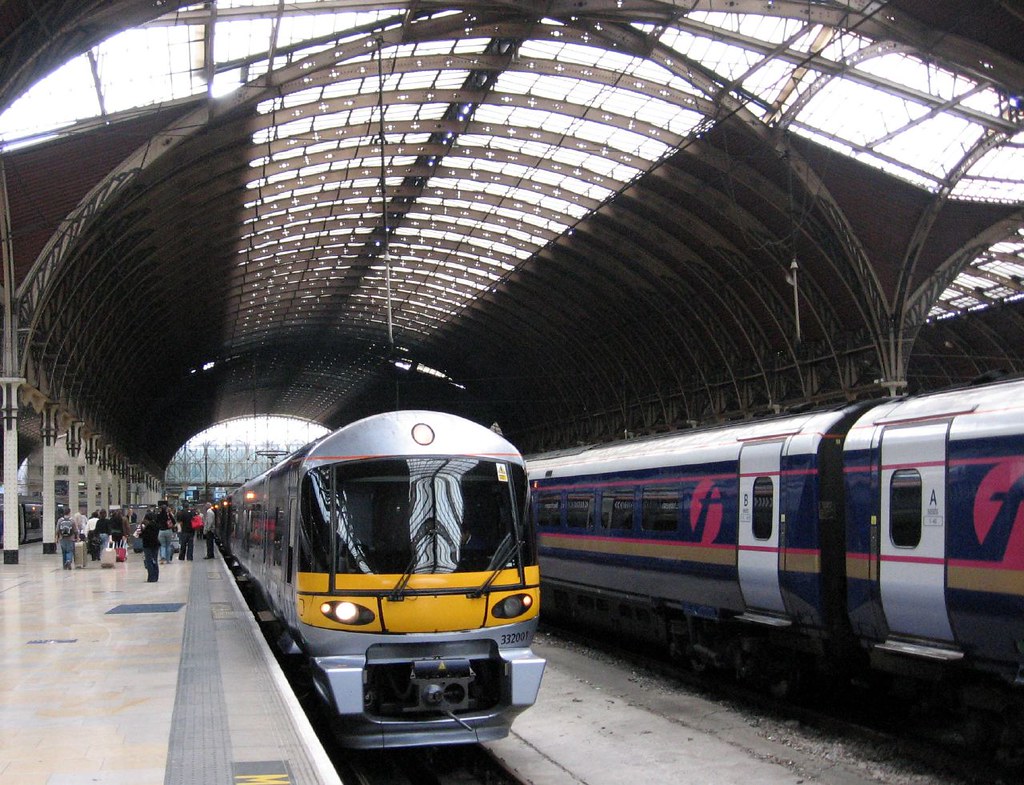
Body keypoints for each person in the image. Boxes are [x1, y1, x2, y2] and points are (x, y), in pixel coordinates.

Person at [139, 511, 160, 582]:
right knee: (155, 560)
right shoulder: (156, 525)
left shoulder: (146, 526)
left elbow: (143, 535)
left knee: (149, 561)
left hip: (147, 545)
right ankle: (156, 576)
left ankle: (151, 577)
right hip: (155, 544)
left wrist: (142, 531)